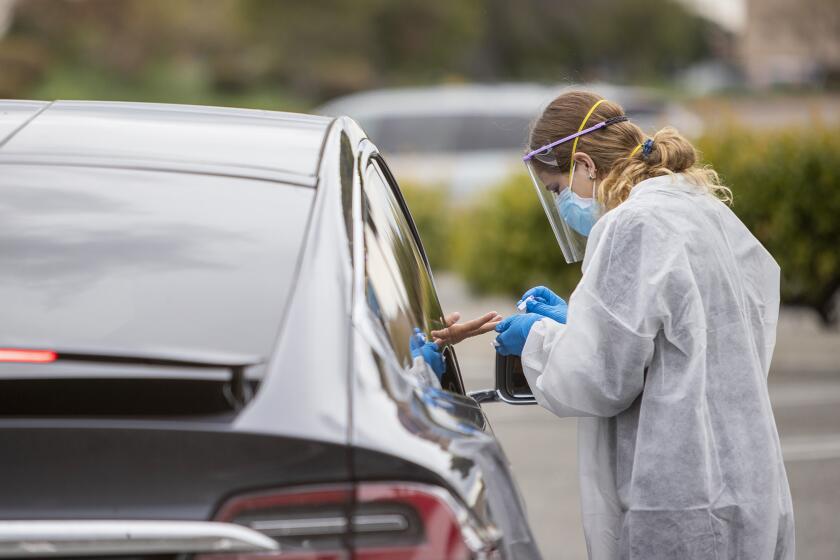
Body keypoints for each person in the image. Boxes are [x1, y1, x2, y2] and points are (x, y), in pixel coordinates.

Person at [493, 91, 794, 559]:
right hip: (748, 478)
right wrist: (580, 323)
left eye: (557, 188)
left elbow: (599, 379)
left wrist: (535, 338)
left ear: (586, 166)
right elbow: (692, 331)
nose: (563, 203)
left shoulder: (630, 224)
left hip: (681, 496)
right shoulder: (699, 208)